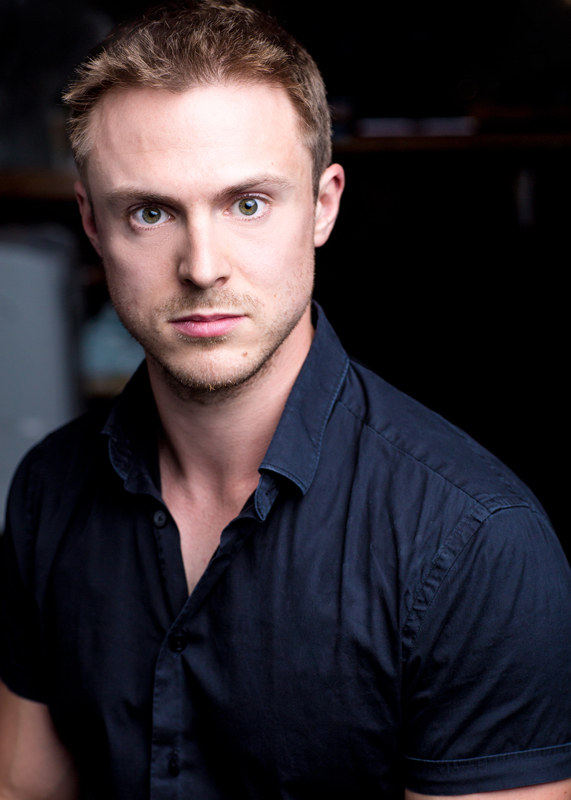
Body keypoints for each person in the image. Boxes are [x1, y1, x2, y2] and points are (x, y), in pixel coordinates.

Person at [1, 1, 570, 798]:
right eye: (150, 212)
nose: (203, 266)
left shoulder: (477, 544)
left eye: (247, 203)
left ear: (323, 205)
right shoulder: (46, 490)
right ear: (92, 224)